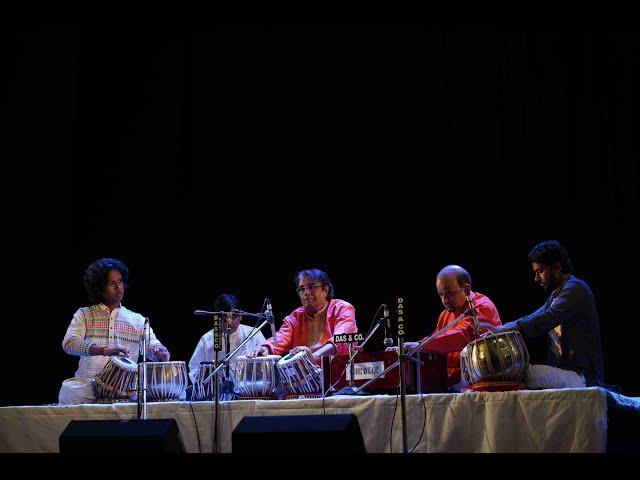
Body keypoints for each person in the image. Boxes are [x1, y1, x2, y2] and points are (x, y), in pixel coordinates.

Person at [477, 240, 604, 389]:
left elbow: (547, 317)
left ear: (556, 267)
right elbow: (532, 317)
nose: (536, 278)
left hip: (583, 377)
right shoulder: (556, 295)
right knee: (514, 374)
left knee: (526, 374)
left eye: (540, 271)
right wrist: (498, 330)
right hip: (565, 373)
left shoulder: (576, 289)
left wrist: (501, 330)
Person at [58, 258, 170, 404]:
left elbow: (153, 346)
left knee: (148, 392)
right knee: (69, 391)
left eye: (120, 281)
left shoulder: (138, 320)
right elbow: (70, 344)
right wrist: (103, 350)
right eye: (111, 283)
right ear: (99, 287)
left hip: (124, 389)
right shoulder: (85, 314)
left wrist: (159, 352)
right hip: (88, 387)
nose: (119, 288)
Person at [387, 265, 502, 391]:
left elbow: (463, 335)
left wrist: (420, 345)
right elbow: (436, 340)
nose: (444, 300)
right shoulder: (445, 314)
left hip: (479, 381)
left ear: (466, 289)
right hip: (450, 383)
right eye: (441, 294)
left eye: (449, 293)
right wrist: (407, 349)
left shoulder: (482, 306)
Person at [249, 268, 358, 364]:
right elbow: (280, 339)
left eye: (311, 287)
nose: (306, 293)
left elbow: (341, 339)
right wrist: (266, 347)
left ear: (326, 290)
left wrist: (314, 356)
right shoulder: (295, 317)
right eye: (301, 289)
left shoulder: (342, 308)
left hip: (338, 374)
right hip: (305, 380)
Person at [188, 293, 266, 386]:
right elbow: (194, 368)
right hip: (216, 393)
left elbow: (267, 362)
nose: (229, 322)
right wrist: (210, 370)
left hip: (249, 391)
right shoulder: (208, 339)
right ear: (217, 318)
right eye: (225, 318)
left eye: (233, 317)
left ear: (241, 316)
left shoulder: (254, 334)